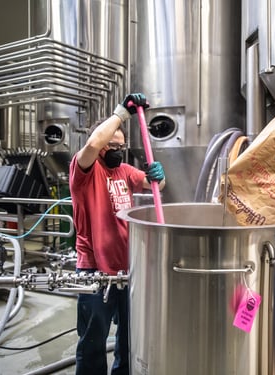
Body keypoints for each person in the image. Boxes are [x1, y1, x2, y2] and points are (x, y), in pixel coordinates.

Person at [69, 92, 166, 375]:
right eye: (111, 146)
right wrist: (121, 113)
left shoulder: (124, 171)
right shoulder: (84, 171)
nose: (117, 151)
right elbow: (91, 144)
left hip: (129, 270)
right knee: (93, 341)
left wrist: (159, 176)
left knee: (129, 338)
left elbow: (154, 184)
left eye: (121, 147)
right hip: (95, 271)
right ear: (100, 147)